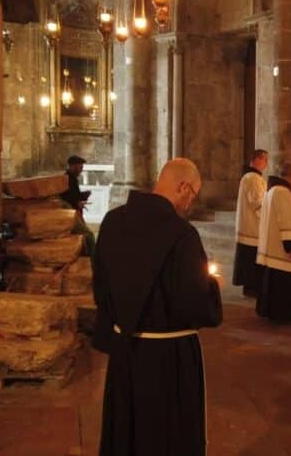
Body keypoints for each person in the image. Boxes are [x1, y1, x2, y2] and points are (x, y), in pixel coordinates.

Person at [93, 158, 223, 456]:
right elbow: (195, 305)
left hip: (125, 351)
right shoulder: (182, 235)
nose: (191, 203)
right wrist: (213, 287)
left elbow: (101, 287)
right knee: (167, 435)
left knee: (128, 430)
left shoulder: (113, 222)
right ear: (182, 186)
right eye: (193, 194)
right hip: (169, 358)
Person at [255, 162, 291, 321]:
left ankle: (274, 312)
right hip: (282, 250)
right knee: (283, 284)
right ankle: (284, 314)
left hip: (273, 247)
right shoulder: (283, 192)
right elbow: (288, 220)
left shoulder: (272, 190)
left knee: (274, 282)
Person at [233, 150, 268, 296]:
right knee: (250, 259)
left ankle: (250, 287)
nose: (266, 164)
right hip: (252, 226)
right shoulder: (253, 178)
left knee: (249, 259)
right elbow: (257, 203)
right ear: (256, 160)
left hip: (250, 226)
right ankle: (251, 288)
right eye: (264, 160)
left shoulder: (251, 177)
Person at [60, 155, 96, 256]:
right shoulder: (67, 179)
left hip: (72, 212)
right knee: (89, 237)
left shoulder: (72, 179)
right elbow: (66, 199)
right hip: (70, 214)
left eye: (81, 168)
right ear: (71, 166)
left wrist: (83, 196)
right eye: (79, 167)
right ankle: (93, 262)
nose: (80, 170)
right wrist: (78, 202)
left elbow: (73, 196)